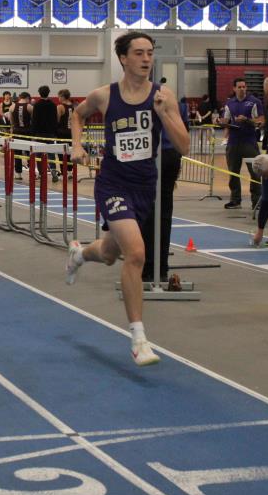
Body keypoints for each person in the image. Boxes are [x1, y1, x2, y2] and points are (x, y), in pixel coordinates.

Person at [65, 32, 189, 366]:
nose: (146, 59)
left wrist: (164, 115)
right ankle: (139, 339)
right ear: (123, 58)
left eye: (150, 53)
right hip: (113, 184)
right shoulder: (104, 96)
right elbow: (77, 114)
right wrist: (77, 145)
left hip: (144, 186)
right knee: (136, 253)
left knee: (109, 253)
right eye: (139, 53)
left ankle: (79, 254)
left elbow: (184, 145)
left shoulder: (163, 96)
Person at [142, 95, 189, 290]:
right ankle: (160, 267)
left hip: (154, 155)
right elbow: (184, 133)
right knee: (162, 212)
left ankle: (149, 267)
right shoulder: (177, 102)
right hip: (168, 155)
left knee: (149, 212)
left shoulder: (143, 98)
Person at [219, 78, 263, 209]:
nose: (242, 89)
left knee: (255, 172)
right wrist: (219, 122)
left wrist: (247, 120)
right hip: (233, 142)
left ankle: (256, 201)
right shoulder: (229, 103)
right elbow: (225, 120)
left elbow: (261, 121)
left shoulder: (254, 102)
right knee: (233, 172)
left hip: (249, 141)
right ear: (234, 88)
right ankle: (235, 200)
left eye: (244, 87)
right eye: (239, 87)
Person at [31, 85, 59, 182]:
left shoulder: (37, 105)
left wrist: (33, 134)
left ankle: (41, 174)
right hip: (50, 133)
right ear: (48, 92)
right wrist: (55, 132)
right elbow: (55, 119)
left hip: (39, 133)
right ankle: (54, 172)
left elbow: (34, 120)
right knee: (51, 153)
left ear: (39, 93)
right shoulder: (53, 105)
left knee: (39, 154)